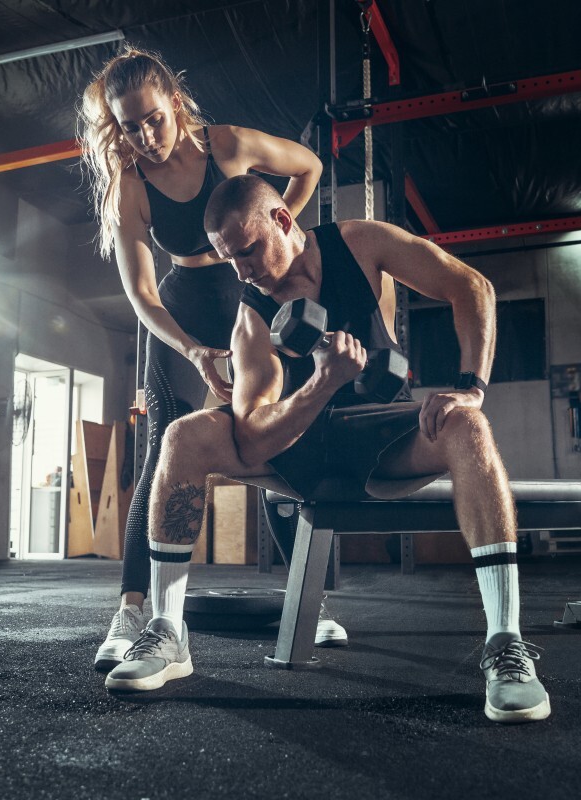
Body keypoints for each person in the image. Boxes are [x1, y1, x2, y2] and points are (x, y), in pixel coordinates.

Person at [103, 175, 551, 724]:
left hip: (377, 438)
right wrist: (323, 383)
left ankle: (506, 645)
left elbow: (473, 287)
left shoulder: (360, 244)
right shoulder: (251, 319)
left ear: (284, 221)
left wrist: (470, 385)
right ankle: (168, 632)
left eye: (248, 250)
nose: (242, 270)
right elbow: (253, 437)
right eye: (229, 259)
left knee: (469, 427)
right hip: (292, 448)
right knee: (183, 435)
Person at [77, 47, 346, 670]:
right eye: (130, 126)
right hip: (181, 313)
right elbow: (141, 294)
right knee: (162, 453)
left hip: (246, 295)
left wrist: (274, 230)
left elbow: (308, 167)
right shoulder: (131, 190)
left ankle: (315, 604)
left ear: (173, 101)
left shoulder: (227, 147)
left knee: (273, 441)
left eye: (153, 119)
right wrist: (192, 348)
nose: (145, 136)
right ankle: (132, 611)